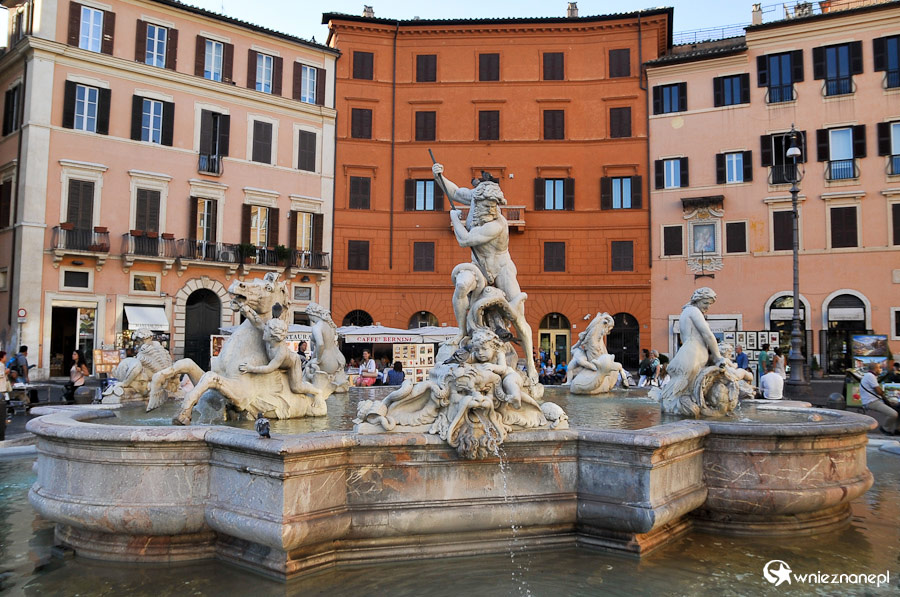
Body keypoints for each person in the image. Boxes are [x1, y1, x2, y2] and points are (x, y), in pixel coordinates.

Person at [434, 162, 539, 383]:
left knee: (517, 315)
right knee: (461, 285)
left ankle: (530, 364)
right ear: (478, 200)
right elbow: (454, 192)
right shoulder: (474, 198)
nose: (492, 210)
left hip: (502, 269)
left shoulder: (497, 224)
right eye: (487, 206)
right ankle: (461, 332)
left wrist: (454, 219)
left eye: (494, 206)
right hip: (478, 268)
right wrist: (439, 176)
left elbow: (465, 240)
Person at [860, 362, 897, 435]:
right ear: (875, 368)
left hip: (875, 400)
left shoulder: (869, 375)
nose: (880, 369)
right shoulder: (870, 376)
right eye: (879, 368)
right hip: (871, 402)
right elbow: (879, 391)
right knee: (893, 414)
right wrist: (888, 400)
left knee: (898, 409)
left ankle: (898, 429)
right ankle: (885, 428)